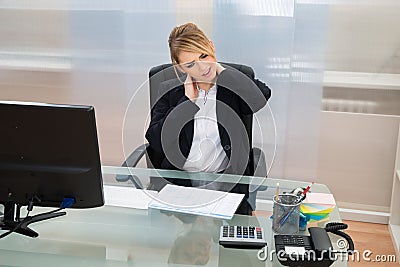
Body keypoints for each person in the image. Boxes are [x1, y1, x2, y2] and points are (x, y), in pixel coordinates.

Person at [145, 22, 271, 215]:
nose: (203, 67)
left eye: (203, 55)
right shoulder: (169, 92)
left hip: (226, 184)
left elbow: (259, 98)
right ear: (179, 67)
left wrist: (221, 71)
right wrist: (187, 103)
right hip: (180, 184)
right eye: (190, 64)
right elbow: (156, 140)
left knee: (225, 242)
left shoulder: (232, 86)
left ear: (211, 46)